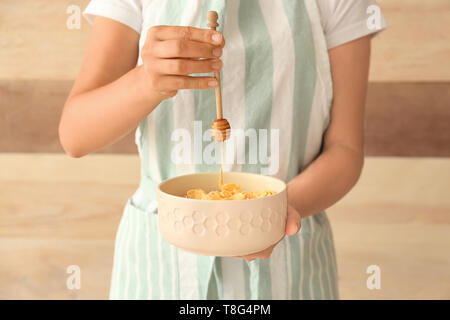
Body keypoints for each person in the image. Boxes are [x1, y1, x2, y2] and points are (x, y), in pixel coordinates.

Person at [59, 0, 386, 299]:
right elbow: (75, 135)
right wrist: (147, 81)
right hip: (159, 270)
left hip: (291, 265)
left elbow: (345, 150)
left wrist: (280, 210)